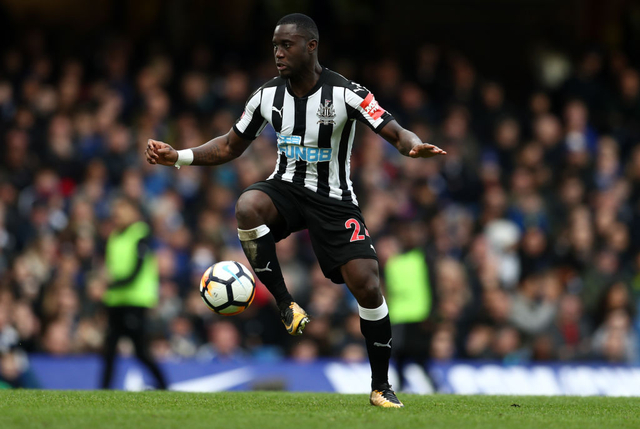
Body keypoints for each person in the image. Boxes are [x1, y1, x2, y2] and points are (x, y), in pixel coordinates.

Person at [145, 13, 445, 407]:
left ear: (311, 46)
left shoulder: (346, 93)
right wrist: (179, 157)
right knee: (248, 205)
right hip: (286, 188)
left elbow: (391, 128)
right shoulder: (267, 96)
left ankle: (380, 386)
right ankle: (285, 303)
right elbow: (229, 146)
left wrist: (411, 145)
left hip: (334, 200)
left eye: (286, 45)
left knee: (368, 284)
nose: (278, 53)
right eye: (275, 46)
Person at [101, 196, 168, 390]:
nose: (117, 214)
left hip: (136, 301)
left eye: (121, 209)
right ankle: (103, 390)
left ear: (134, 211)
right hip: (115, 301)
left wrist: (111, 283)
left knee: (140, 351)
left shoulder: (141, 233)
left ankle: (163, 385)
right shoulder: (114, 236)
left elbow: (135, 271)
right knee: (109, 349)